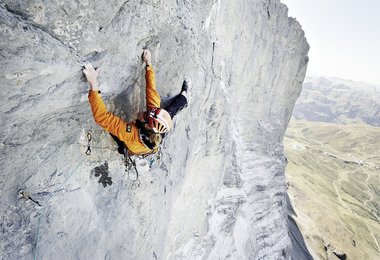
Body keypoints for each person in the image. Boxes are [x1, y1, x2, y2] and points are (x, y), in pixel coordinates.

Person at [83, 49, 188, 156]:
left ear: (146, 126)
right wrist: (148, 64)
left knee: (117, 137)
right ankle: (184, 99)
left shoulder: (130, 135)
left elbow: (102, 118)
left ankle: (127, 151)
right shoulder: (153, 118)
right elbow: (151, 91)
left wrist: (93, 83)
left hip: (137, 147)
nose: (144, 110)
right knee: (170, 112)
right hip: (153, 139)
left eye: (146, 113)